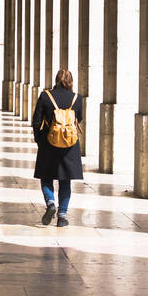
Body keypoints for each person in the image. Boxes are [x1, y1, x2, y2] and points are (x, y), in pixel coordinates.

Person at [32, 68, 84, 227]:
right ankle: (62, 217)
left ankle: (50, 203)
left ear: (56, 80)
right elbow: (79, 119)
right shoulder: (77, 98)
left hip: (49, 142)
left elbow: (36, 121)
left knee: (46, 176)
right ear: (71, 81)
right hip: (69, 145)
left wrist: (40, 140)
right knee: (65, 180)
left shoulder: (46, 96)